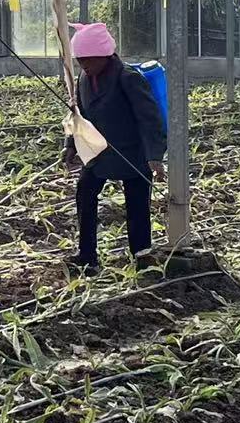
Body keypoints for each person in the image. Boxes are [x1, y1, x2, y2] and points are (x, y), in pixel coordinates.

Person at [63, 21, 165, 270]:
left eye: (88, 60)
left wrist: (154, 155)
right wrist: (71, 144)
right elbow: (79, 114)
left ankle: (142, 258)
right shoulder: (84, 79)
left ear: (104, 56)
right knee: (85, 195)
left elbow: (149, 118)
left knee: (137, 207)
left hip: (132, 153)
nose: (84, 65)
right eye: (80, 61)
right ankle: (87, 256)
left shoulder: (128, 78)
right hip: (98, 153)